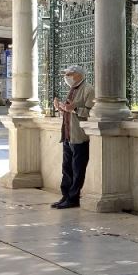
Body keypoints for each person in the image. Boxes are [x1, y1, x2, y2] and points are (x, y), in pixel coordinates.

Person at [52, 65, 95, 209]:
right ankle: (66, 196)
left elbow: (92, 112)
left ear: (79, 75)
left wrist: (74, 108)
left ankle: (73, 198)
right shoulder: (72, 89)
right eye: (66, 74)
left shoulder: (88, 89)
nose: (67, 77)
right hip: (67, 135)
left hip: (79, 137)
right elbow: (69, 110)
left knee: (77, 170)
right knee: (67, 169)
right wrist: (61, 107)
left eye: (70, 74)